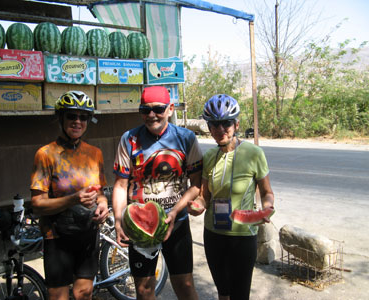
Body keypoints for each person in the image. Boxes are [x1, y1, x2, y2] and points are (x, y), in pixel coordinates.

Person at [112, 86, 203, 300]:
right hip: (139, 229)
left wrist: (176, 211)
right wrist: (118, 220)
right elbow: (120, 186)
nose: (152, 115)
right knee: (144, 291)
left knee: (185, 285)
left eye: (158, 109)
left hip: (177, 222)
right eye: (145, 110)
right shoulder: (129, 139)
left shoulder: (186, 138)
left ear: (170, 109)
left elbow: (196, 185)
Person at [189, 94, 275, 300]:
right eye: (214, 125)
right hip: (213, 234)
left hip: (242, 236)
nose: (220, 130)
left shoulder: (254, 153)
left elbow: (266, 192)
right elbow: (205, 197)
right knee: (223, 293)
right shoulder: (209, 157)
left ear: (236, 124)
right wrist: (197, 206)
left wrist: (267, 207)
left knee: (239, 295)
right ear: (208, 127)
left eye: (226, 124)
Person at [30, 91, 109, 300]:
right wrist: (74, 198)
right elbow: (37, 205)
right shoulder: (46, 154)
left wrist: (103, 205)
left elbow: (100, 193)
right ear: (61, 117)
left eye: (83, 117)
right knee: (58, 297)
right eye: (72, 116)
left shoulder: (95, 153)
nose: (77, 121)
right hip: (56, 236)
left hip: (88, 234)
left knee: (84, 293)